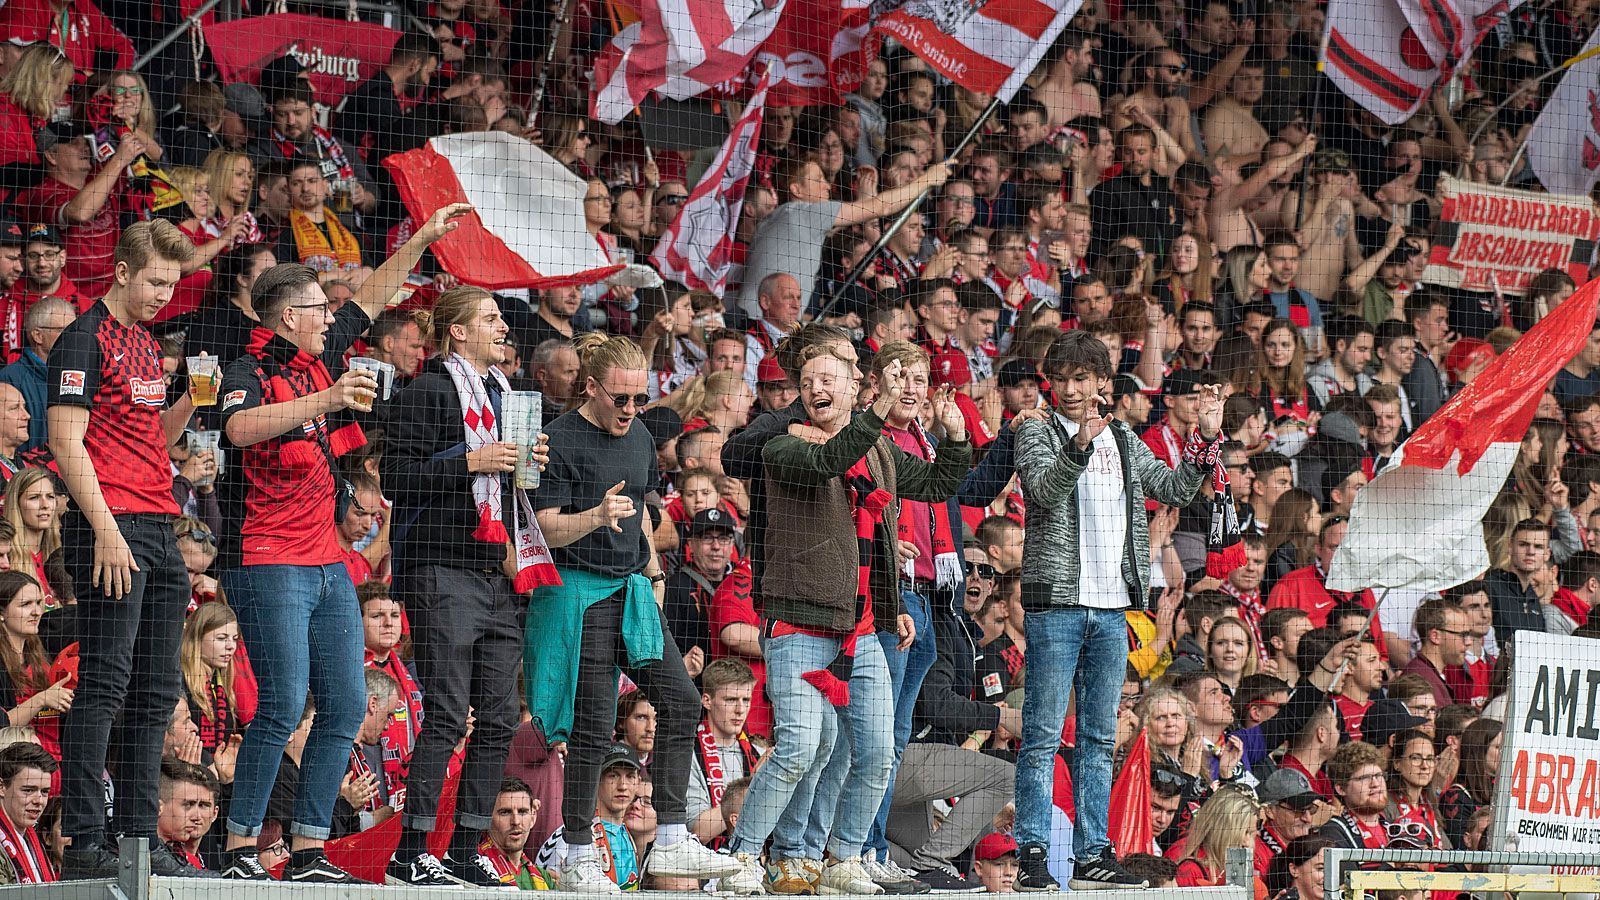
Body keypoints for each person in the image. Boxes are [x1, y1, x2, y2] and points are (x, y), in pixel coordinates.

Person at [216, 205, 467, 884]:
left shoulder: (318, 358)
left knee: (348, 705)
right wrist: (325, 401)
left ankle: (307, 848)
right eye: (317, 308)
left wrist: (419, 237)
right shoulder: (250, 366)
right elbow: (237, 429)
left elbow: (372, 296)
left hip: (326, 561)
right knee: (281, 702)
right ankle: (240, 846)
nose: (331, 317)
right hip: (266, 559)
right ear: (284, 315)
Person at [527, 332, 741, 893]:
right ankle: (574, 850)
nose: (629, 410)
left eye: (638, 398)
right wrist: (596, 516)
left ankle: (671, 835)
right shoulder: (557, 439)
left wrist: (652, 570)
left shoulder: (642, 436)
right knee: (593, 728)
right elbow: (543, 526)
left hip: (633, 591)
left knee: (683, 698)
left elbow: (645, 514)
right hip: (580, 591)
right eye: (619, 399)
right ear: (591, 388)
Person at [1012, 330, 1223, 891]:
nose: (1071, 389)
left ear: (1103, 383)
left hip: (1112, 610)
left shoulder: (1126, 439)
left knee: (1101, 737)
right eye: (1061, 380)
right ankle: (1031, 851)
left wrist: (1204, 437)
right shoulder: (1037, 429)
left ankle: (1091, 852)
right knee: (1041, 733)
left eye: (1082, 379)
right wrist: (1079, 444)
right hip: (1056, 604)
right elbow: (1042, 490)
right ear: (1050, 384)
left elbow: (1177, 489)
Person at [380, 280, 560, 887]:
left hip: (497, 576)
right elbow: (397, 479)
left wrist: (528, 459)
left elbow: (513, 484)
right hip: (443, 570)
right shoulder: (428, 390)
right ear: (457, 331)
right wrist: (471, 461)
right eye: (489, 318)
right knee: (449, 711)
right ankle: (411, 849)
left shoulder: (508, 394)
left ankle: (463, 846)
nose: (501, 327)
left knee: (502, 715)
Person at [47, 221, 210, 880]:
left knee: (153, 692)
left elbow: (152, 439)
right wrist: (108, 530)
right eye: (154, 281)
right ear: (120, 271)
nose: (163, 295)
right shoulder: (83, 338)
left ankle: (141, 842)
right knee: (106, 686)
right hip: (110, 524)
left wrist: (190, 405)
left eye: (172, 284)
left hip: (158, 521)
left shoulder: (146, 342)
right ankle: (87, 841)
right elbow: (64, 441)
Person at [536, 745, 647, 890]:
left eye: (630, 776)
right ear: (596, 779)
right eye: (613, 776)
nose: (623, 786)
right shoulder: (571, 836)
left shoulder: (629, 835)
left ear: (638, 781)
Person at [685, 658, 760, 845]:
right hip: (704, 866)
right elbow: (700, 830)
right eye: (731, 700)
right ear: (707, 701)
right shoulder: (688, 753)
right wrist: (757, 782)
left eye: (746, 700)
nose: (740, 710)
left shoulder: (758, 753)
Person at [0, 297, 73, 453]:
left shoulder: (78, 376)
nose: (73, 338)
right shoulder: (10, 379)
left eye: (75, 330)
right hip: (27, 473)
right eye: (64, 330)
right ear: (38, 335)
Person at [480, 777, 554, 890]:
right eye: (505, 812)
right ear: (487, 818)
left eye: (522, 812)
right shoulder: (475, 870)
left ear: (533, 818)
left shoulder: (544, 878)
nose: (516, 821)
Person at [0, 742, 57, 884]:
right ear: (1, 787)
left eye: (44, 792)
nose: (39, 801)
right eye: (28, 790)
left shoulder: (32, 838)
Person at [1318, 741, 1391, 849]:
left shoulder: (1393, 827)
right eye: (1364, 778)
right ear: (1341, 789)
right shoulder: (1333, 832)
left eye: (1378, 775)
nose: (1375, 784)